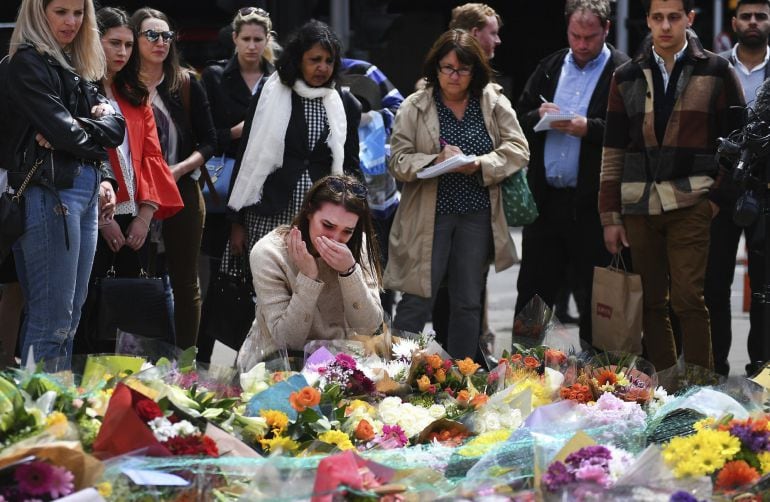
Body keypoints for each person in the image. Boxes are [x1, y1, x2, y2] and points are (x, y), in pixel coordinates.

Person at [599, 0, 745, 371]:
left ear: (689, 19)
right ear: (646, 20)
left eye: (674, 17)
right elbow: (613, 149)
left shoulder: (717, 69)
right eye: (657, 17)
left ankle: (698, 391)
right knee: (650, 301)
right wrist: (609, 215)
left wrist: (715, 198)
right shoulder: (626, 75)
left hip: (692, 198)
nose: (665, 26)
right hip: (638, 203)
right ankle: (665, 390)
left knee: (688, 299)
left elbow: (738, 141)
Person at [387, 29, 529, 361]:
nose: (454, 76)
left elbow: (518, 149)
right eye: (447, 67)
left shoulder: (492, 102)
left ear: (474, 71)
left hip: (477, 214)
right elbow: (397, 160)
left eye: (462, 69)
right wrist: (436, 160)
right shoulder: (416, 105)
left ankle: (460, 378)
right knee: (417, 298)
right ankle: (395, 375)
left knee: (468, 301)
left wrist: (480, 163)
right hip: (428, 216)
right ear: (435, 69)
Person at [6, 0, 125, 366]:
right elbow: (65, 133)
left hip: (83, 189)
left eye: (78, 13)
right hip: (48, 191)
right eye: (61, 11)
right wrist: (80, 130)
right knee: (52, 320)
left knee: (70, 318)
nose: (72, 21)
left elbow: (116, 129)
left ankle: (57, 412)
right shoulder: (27, 61)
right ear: (38, 12)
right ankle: (37, 417)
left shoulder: (78, 62)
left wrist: (81, 130)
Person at [515, 0, 629, 343]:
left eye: (590, 37)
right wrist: (538, 116)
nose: (581, 44)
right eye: (575, 36)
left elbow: (632, 132)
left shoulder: (623, 71)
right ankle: (523, 369)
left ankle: (600, 381)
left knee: (595, 299)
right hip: (547, 203)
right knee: (533, 292)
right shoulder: (550, 67)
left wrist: (588, 128)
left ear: (606, 30)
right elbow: (518, 121)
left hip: (593, 206)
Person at [74, 7, 184, 352]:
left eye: (127, 45)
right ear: (95, 42)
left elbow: (154, 156)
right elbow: (81, 154)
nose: (122, 53)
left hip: (134, 214)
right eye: (114, 44)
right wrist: (102, 219)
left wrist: (145, 216)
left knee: (129, 310)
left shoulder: (136, 94)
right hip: (89, 208)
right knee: (87, 303)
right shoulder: (78, 89)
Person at [225, 20, 361, 284]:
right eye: (315, 59)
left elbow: (351, 165)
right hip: (270, 210)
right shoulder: (271, 92)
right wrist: (236, 222)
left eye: (329, 61)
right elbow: (248, 157)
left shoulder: (343, 102)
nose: (322, 67)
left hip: (321, 218)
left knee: (312, 288)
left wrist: (357, 212)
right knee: (269, 287)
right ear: (299, 60)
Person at [132, 7, 217, 350]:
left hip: (181, 188)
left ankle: (184, 363)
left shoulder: (184, 83)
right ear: (134, 39)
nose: (161, 42)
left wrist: (178, 170)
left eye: (166, 36)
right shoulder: (120, 84)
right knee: (139, 278)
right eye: (152, 35)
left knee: (185, 281)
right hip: (134, 193)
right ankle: (140, 358)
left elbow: (211, 141)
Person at [246, 175, 383, 358]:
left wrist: (349, 272)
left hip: (341, 362)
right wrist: (308, 278)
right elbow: (286, 341)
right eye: (328, 225)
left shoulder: (359, 247)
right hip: (277, 364)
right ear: (309, 211)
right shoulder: (270, 252)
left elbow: (369, 327)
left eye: (347, 231)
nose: (335, 238)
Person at [710, 0, 770, 375]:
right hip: (721, 189)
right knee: (714, 283)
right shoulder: (715, 67)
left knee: (765, 288)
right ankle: (714, 366)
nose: (753, 22)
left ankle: (762, 367)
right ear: (733, 22)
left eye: (760, 16)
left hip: (766, 190)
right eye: (746, 16)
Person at [200, 6, 275, 279]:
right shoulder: (214, 76)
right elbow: (203, 135)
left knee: (265, 263)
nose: (252, 46)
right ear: (234, 39)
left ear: (267, 39)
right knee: (219, 263)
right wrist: (237, 132)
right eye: (246, 39)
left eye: (258, 39)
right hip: (226, 175)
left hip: (267, 179)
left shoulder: (277, 79)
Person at [340, 57, 404, 318]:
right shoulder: (302, 78)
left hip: (378, 198)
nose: (321, 65)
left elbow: (401, 107)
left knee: (380, 270)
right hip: (335, 199)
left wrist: (369, 119)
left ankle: (383, 336)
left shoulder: (363, 70)